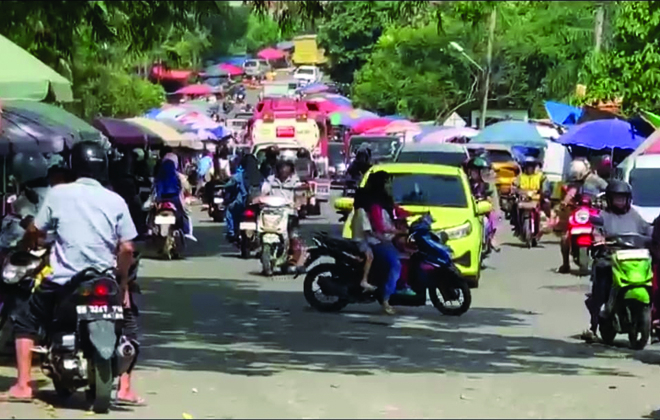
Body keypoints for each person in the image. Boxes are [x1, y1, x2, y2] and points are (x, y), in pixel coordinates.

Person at [2, 141, 141, 404]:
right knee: (128, 320)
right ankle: (125, 387)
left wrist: (28, 242)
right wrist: (122, 282)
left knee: (26, 321)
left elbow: (36, 230)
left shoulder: (58, 194)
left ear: (74, 166)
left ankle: (22, 385)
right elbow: (127, 248)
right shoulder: (116, 200)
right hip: (105, 278)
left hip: (64, 280)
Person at [584, 180, 652, 340]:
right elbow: (596, 231)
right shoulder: (603, 215)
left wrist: (654, 234)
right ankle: (593, 327)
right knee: (601, 284)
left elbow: (647, 229)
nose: (620, 201)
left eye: (623, 198)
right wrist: (599, 238)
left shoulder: (634, 215)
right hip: (609, 258)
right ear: (609, 198)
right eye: (616, 198)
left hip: (632, 259)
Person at [363, 171, 407, 315]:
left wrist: (419, 216)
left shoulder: (386, 200)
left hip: (387, 238)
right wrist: (397, 231)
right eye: (387, 182)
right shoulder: (375, 204)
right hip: (376, 240)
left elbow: (399, 211)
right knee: (395, 264)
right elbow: (379, 226)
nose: (389, 185)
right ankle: (385, 299)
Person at [555, 159, 608, 273]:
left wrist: (605, 201)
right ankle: (565, 264)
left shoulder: (597, 180)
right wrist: (565, 202)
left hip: (594, 211)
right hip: (578, 212)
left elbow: (608, 191)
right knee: (565, 237)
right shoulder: (574, 183)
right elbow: (570, 193)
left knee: (603, 235)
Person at [260, 160, 306, 273]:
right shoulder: (271, 180)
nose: (284, 170)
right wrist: (259, 199)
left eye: (287, 168)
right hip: (272, 212)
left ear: (291, 170)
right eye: (282, 168)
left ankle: (293, 261)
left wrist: (298, 203)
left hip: (289, 213)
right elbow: (264, 192)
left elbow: (301, 195)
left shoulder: (295, 182)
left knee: (293, 237)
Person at [153, 158, 196, 242]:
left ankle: (150, 231)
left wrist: (156, 200)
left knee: (153, 214)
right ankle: (187, 232)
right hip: (175, 199)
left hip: (161, 199)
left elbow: (156, 189)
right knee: (184, 214)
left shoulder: (159, 177)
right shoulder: (177, 176)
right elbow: (185, 187)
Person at [511, 157, 546, 237]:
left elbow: (545, 187)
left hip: (537, 200)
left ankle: (544, 225)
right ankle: (517, 227)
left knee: (547, 205)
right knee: (513, 206)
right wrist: (515, 191)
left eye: (531, 166)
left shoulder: (541, 176)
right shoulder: (520, 177)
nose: (530, 168)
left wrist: (544, 193)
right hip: (524, 200)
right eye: (528, 166)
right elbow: (514, 186)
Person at [351, 187, 377, 292]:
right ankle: (364, 280)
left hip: (359, 238)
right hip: (360, 240)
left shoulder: (357, 211)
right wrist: (377, 235)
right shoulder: (361, 212)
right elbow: (367, 230)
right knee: (370, 256)